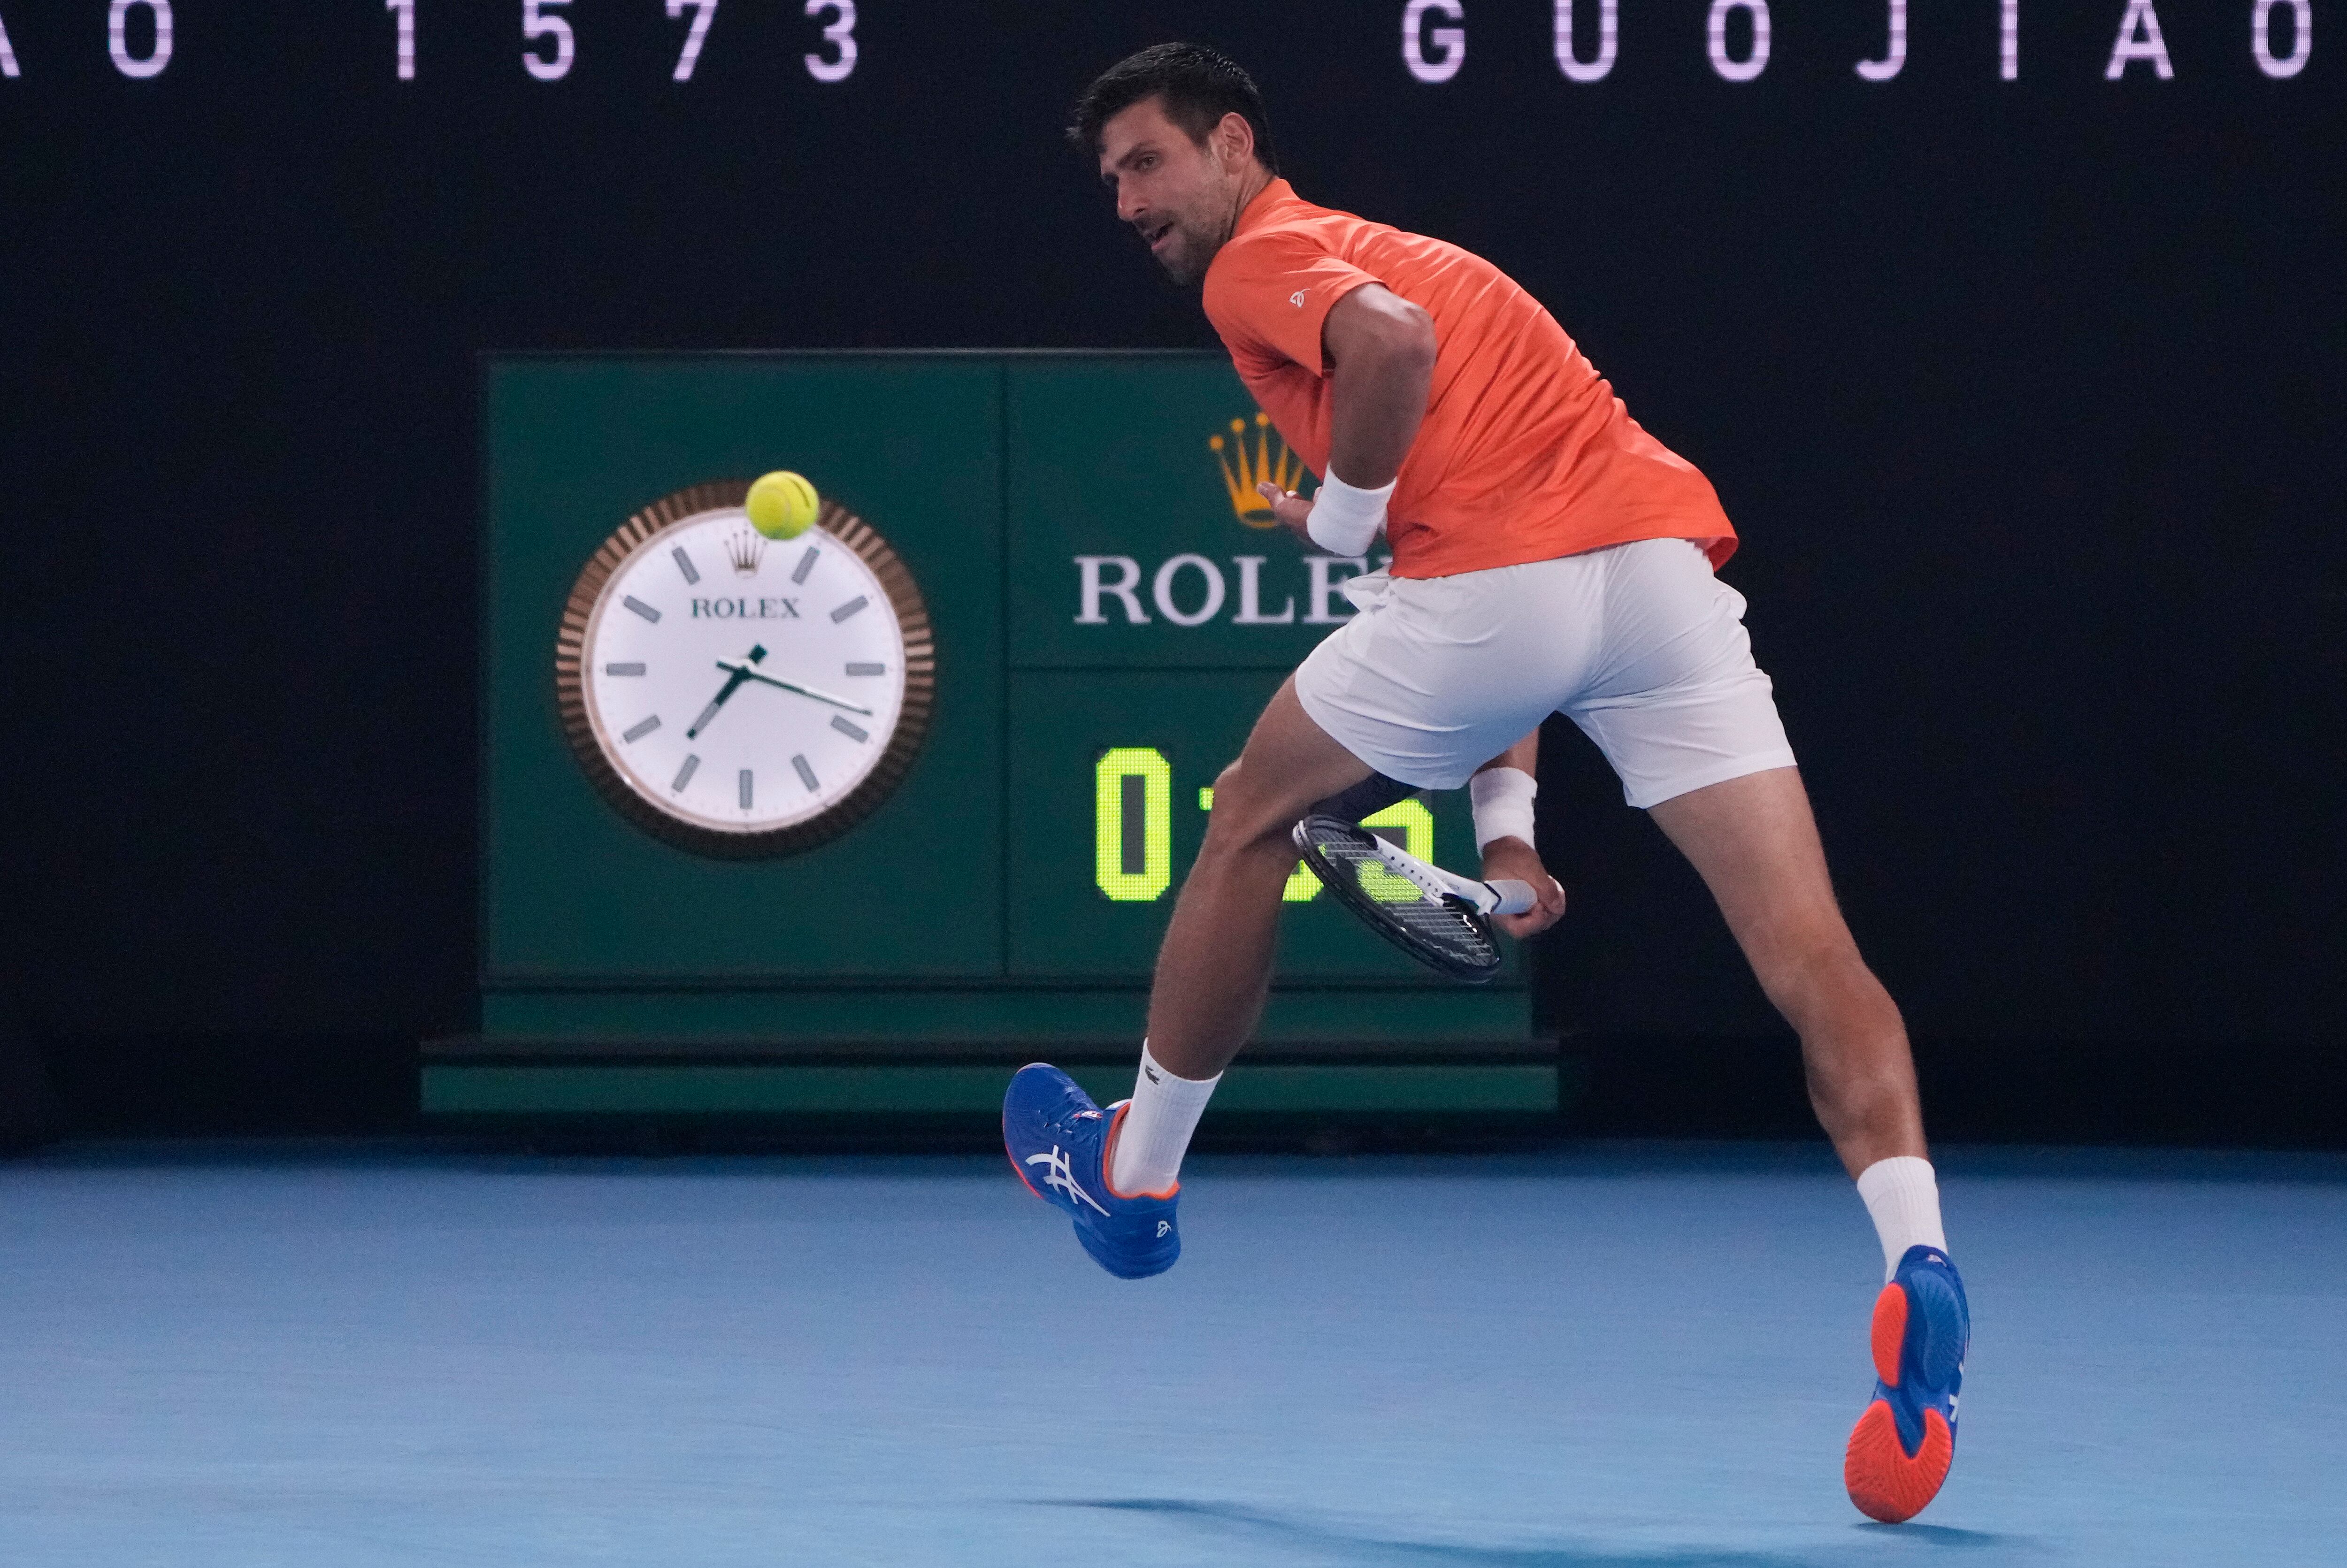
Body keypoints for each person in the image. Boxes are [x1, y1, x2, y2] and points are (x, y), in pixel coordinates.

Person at [1001, 42, 1968, 1526]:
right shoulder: (1428, 251)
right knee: (1813, 956)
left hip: (1508, 591)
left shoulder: (1265, 264)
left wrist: (1341, 516)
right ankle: (1918, 1261)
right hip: (1655, 584)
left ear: (1235, 145)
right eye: (1110, 177)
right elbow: (1536, 639)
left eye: (1148, 162)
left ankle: (1132, 1182)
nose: (1127, 200)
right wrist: (1509, 847)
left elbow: (1389, 355)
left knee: (1250, 817)